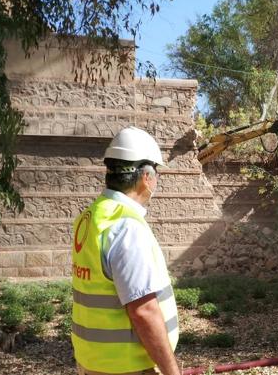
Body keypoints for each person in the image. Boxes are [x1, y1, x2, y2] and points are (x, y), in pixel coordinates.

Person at [70, 126, 181, 375]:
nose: (156, 180)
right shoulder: (127, 227)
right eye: (156, 173)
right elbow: (143, 311)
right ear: (146, 176)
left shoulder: (90, 218)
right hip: (127, 366)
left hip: (93, 360)